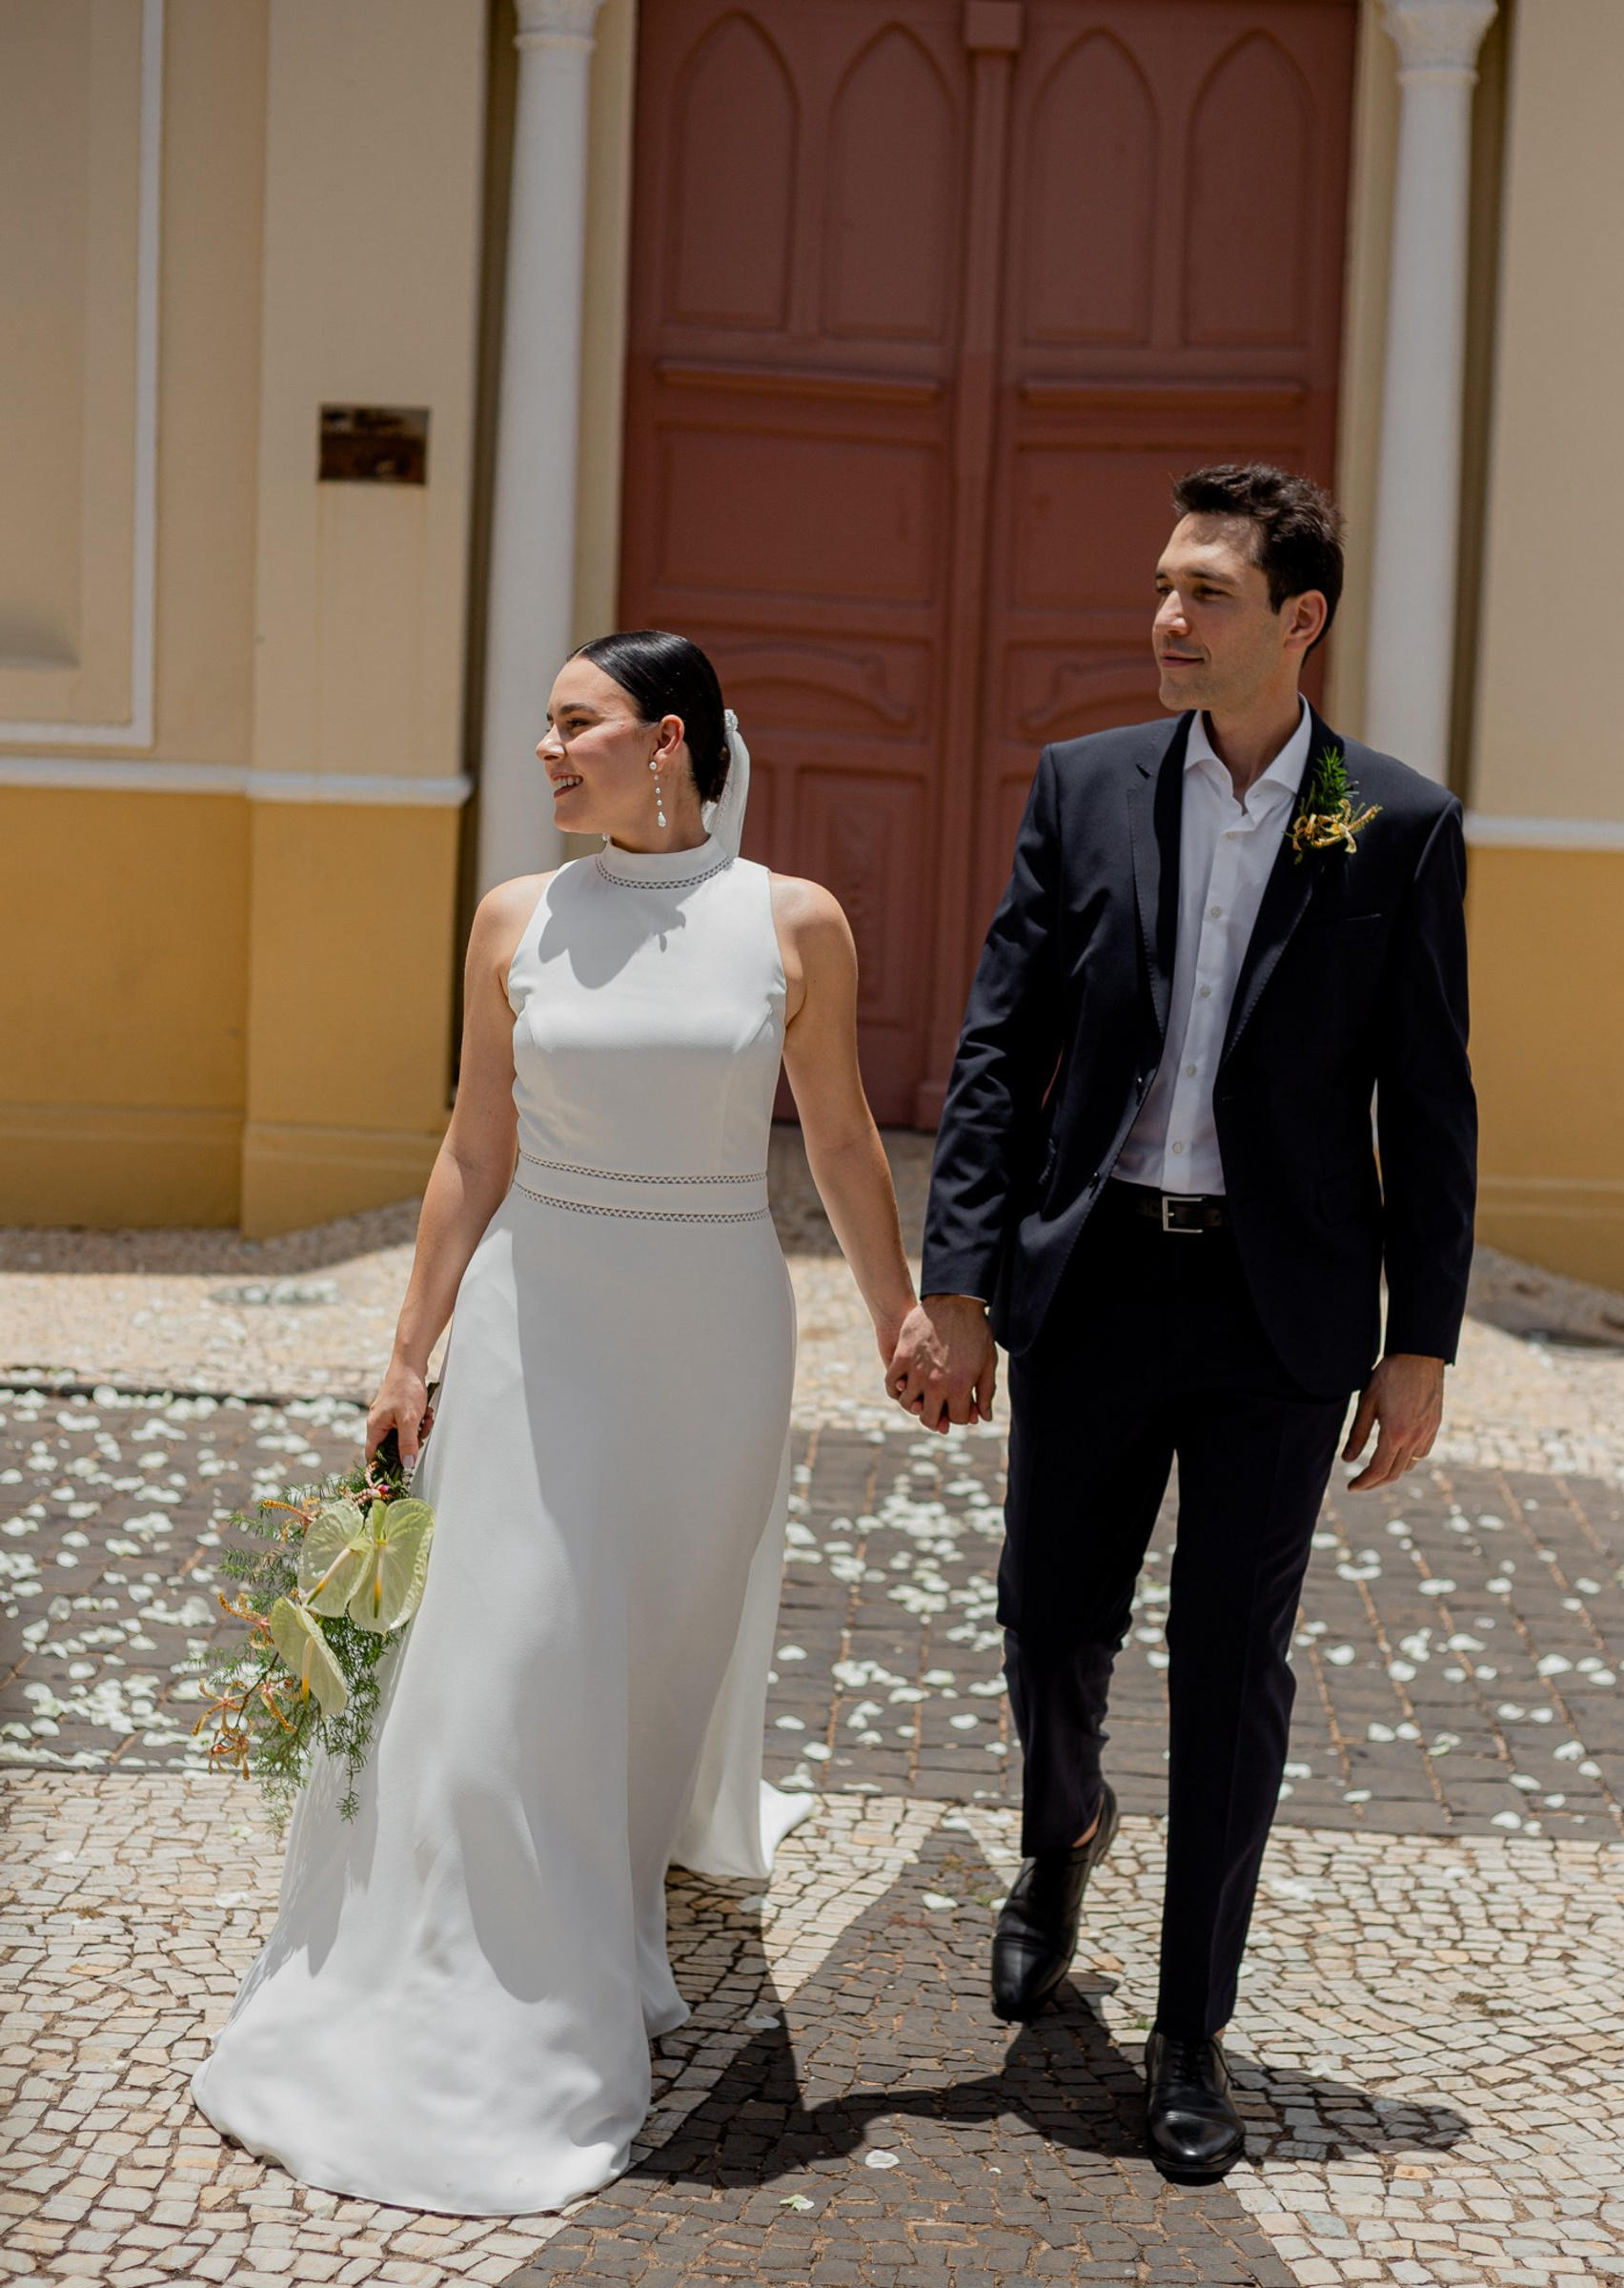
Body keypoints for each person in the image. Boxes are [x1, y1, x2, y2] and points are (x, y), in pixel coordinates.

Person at [193, 631, 919, 2215]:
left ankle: (610, 1906)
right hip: (538, 1330)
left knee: (646, 1661)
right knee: (514, 1649)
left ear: (664, 742)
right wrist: (406, 1353)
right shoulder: (516, 917)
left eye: (571, 726)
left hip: (713, 1344)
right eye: (543, 726)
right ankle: (490, 1986)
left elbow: (848, 1142)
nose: (544, 751)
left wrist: (897, 1319)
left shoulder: (791, 922)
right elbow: (472, 1146)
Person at [890, 464, 1477, 2183]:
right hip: (1093, 1281)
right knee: (1044, 1620)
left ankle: (1189, 2031)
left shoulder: (1396, 824)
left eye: (1206, 593)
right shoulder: (1081, 789)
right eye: (1162, 585)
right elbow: (1003, 1048)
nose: (1166, 617)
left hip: (1276, 1311)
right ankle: (1060, 1827)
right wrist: (961, 1278)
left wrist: (1420, 1338)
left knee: (1234, 1670)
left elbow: (1428, 1103)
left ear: (1298, 620)